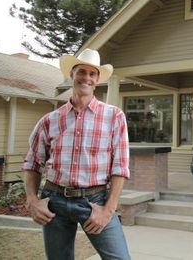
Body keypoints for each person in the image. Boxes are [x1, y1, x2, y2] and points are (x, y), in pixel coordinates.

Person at [23, 48, 131, 260]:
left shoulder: (114, 116)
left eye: (92, 74)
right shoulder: (50, 120)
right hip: (54, 201)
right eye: (82, 71)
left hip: (96, 200)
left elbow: (120, 167)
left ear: (97, 79)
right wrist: (32, 200)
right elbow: (32, 163)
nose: (87, 78)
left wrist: (108, 210)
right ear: (72, 74)